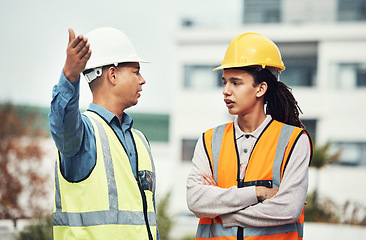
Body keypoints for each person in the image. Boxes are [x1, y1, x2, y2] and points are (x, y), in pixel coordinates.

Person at [186, 32, 312, 240]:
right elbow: (196, 200)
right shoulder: (210, 140)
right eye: (225, 82)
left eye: (236, 83)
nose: (226, 91)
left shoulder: (294, 141)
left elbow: (288, 208)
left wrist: (221, 212)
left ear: (261, 88)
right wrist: (258, 193)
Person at [49, 27, 158, 240]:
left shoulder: (140, 141)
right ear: (113, 74)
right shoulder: (84, 135)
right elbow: (61, 125)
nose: (142, 80)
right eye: (136, 71)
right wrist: (70, 76)